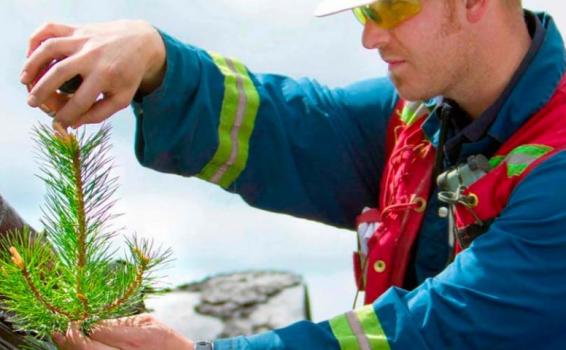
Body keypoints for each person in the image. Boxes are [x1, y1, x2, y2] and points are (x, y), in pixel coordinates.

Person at [19, 0, 566, 348]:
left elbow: (439, 331)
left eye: (390, 7)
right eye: (363, 11)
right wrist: (157, 60)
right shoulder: (416, 121)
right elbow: (290, 126)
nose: (369, 38)